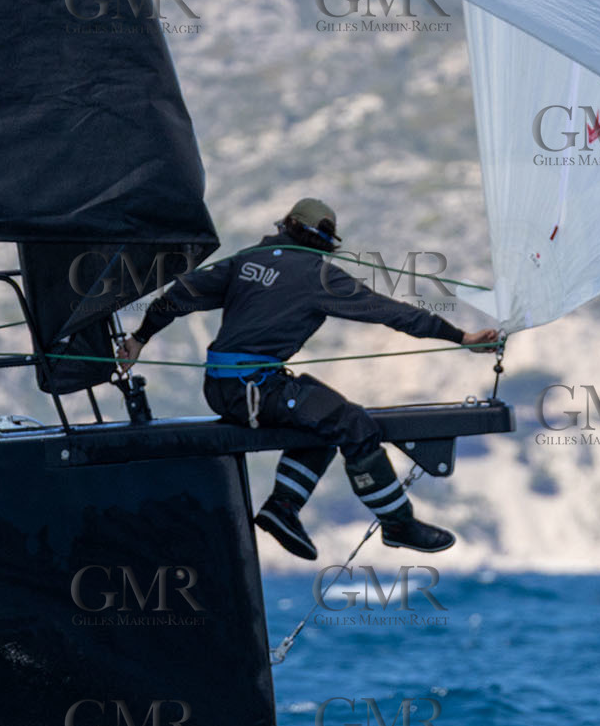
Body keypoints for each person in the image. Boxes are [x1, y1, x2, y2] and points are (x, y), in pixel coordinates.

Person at [115, 198, 499, 559]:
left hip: (224, 389)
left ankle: (283, 508)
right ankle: (398, 524)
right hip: (253, 391)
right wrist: (460, 337)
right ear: (327, 242)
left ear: (287, 225)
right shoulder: (320, 276)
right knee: (353, 425)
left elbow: (180, 294)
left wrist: (139, 338)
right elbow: (392, 313)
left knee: (322, 415)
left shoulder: (247, 260)